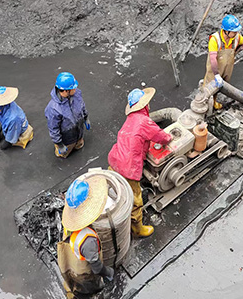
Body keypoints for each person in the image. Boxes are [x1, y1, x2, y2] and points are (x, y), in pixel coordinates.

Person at [108, 87, 172, 238]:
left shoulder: (129, 120)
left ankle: (116, 210)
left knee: (116, 190)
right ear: (144, 106)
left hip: (115, 160)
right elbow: (160, 136)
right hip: (128, 167)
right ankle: (137, 228)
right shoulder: (144, 121)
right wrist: (169, 138)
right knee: (135, 198)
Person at [57, 177, 114, 298]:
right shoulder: (88, 240)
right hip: (83, 272)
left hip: (69, 262)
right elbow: (97, 268)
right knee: (87, 288)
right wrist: (108, 272)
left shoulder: (69, 223)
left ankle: (70, 292)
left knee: (71, 283)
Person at [203, 14, 243, 109]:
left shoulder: (237, 38)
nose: (236, 33)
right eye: (234, 31)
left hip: (227, 67)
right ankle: (206, 104)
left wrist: (236, 52)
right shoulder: (215, 40)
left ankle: (215, 101)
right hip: (214, 68)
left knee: (222, 85)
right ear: (226, 31)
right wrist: (216, 75)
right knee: (209, 86)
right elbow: (212, 59)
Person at [45, 72, 90, 159]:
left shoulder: (76, 94)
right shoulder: (53, 109)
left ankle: (77, 142)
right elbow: (53, 129)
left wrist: (86, 117)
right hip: (66, 138)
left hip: (78, 131)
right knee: (64, 153)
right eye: (73, 88)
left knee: (79, 145)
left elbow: (82, 105)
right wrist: (59, 144)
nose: (76, 89)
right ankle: (61, 150)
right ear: (66, 91)